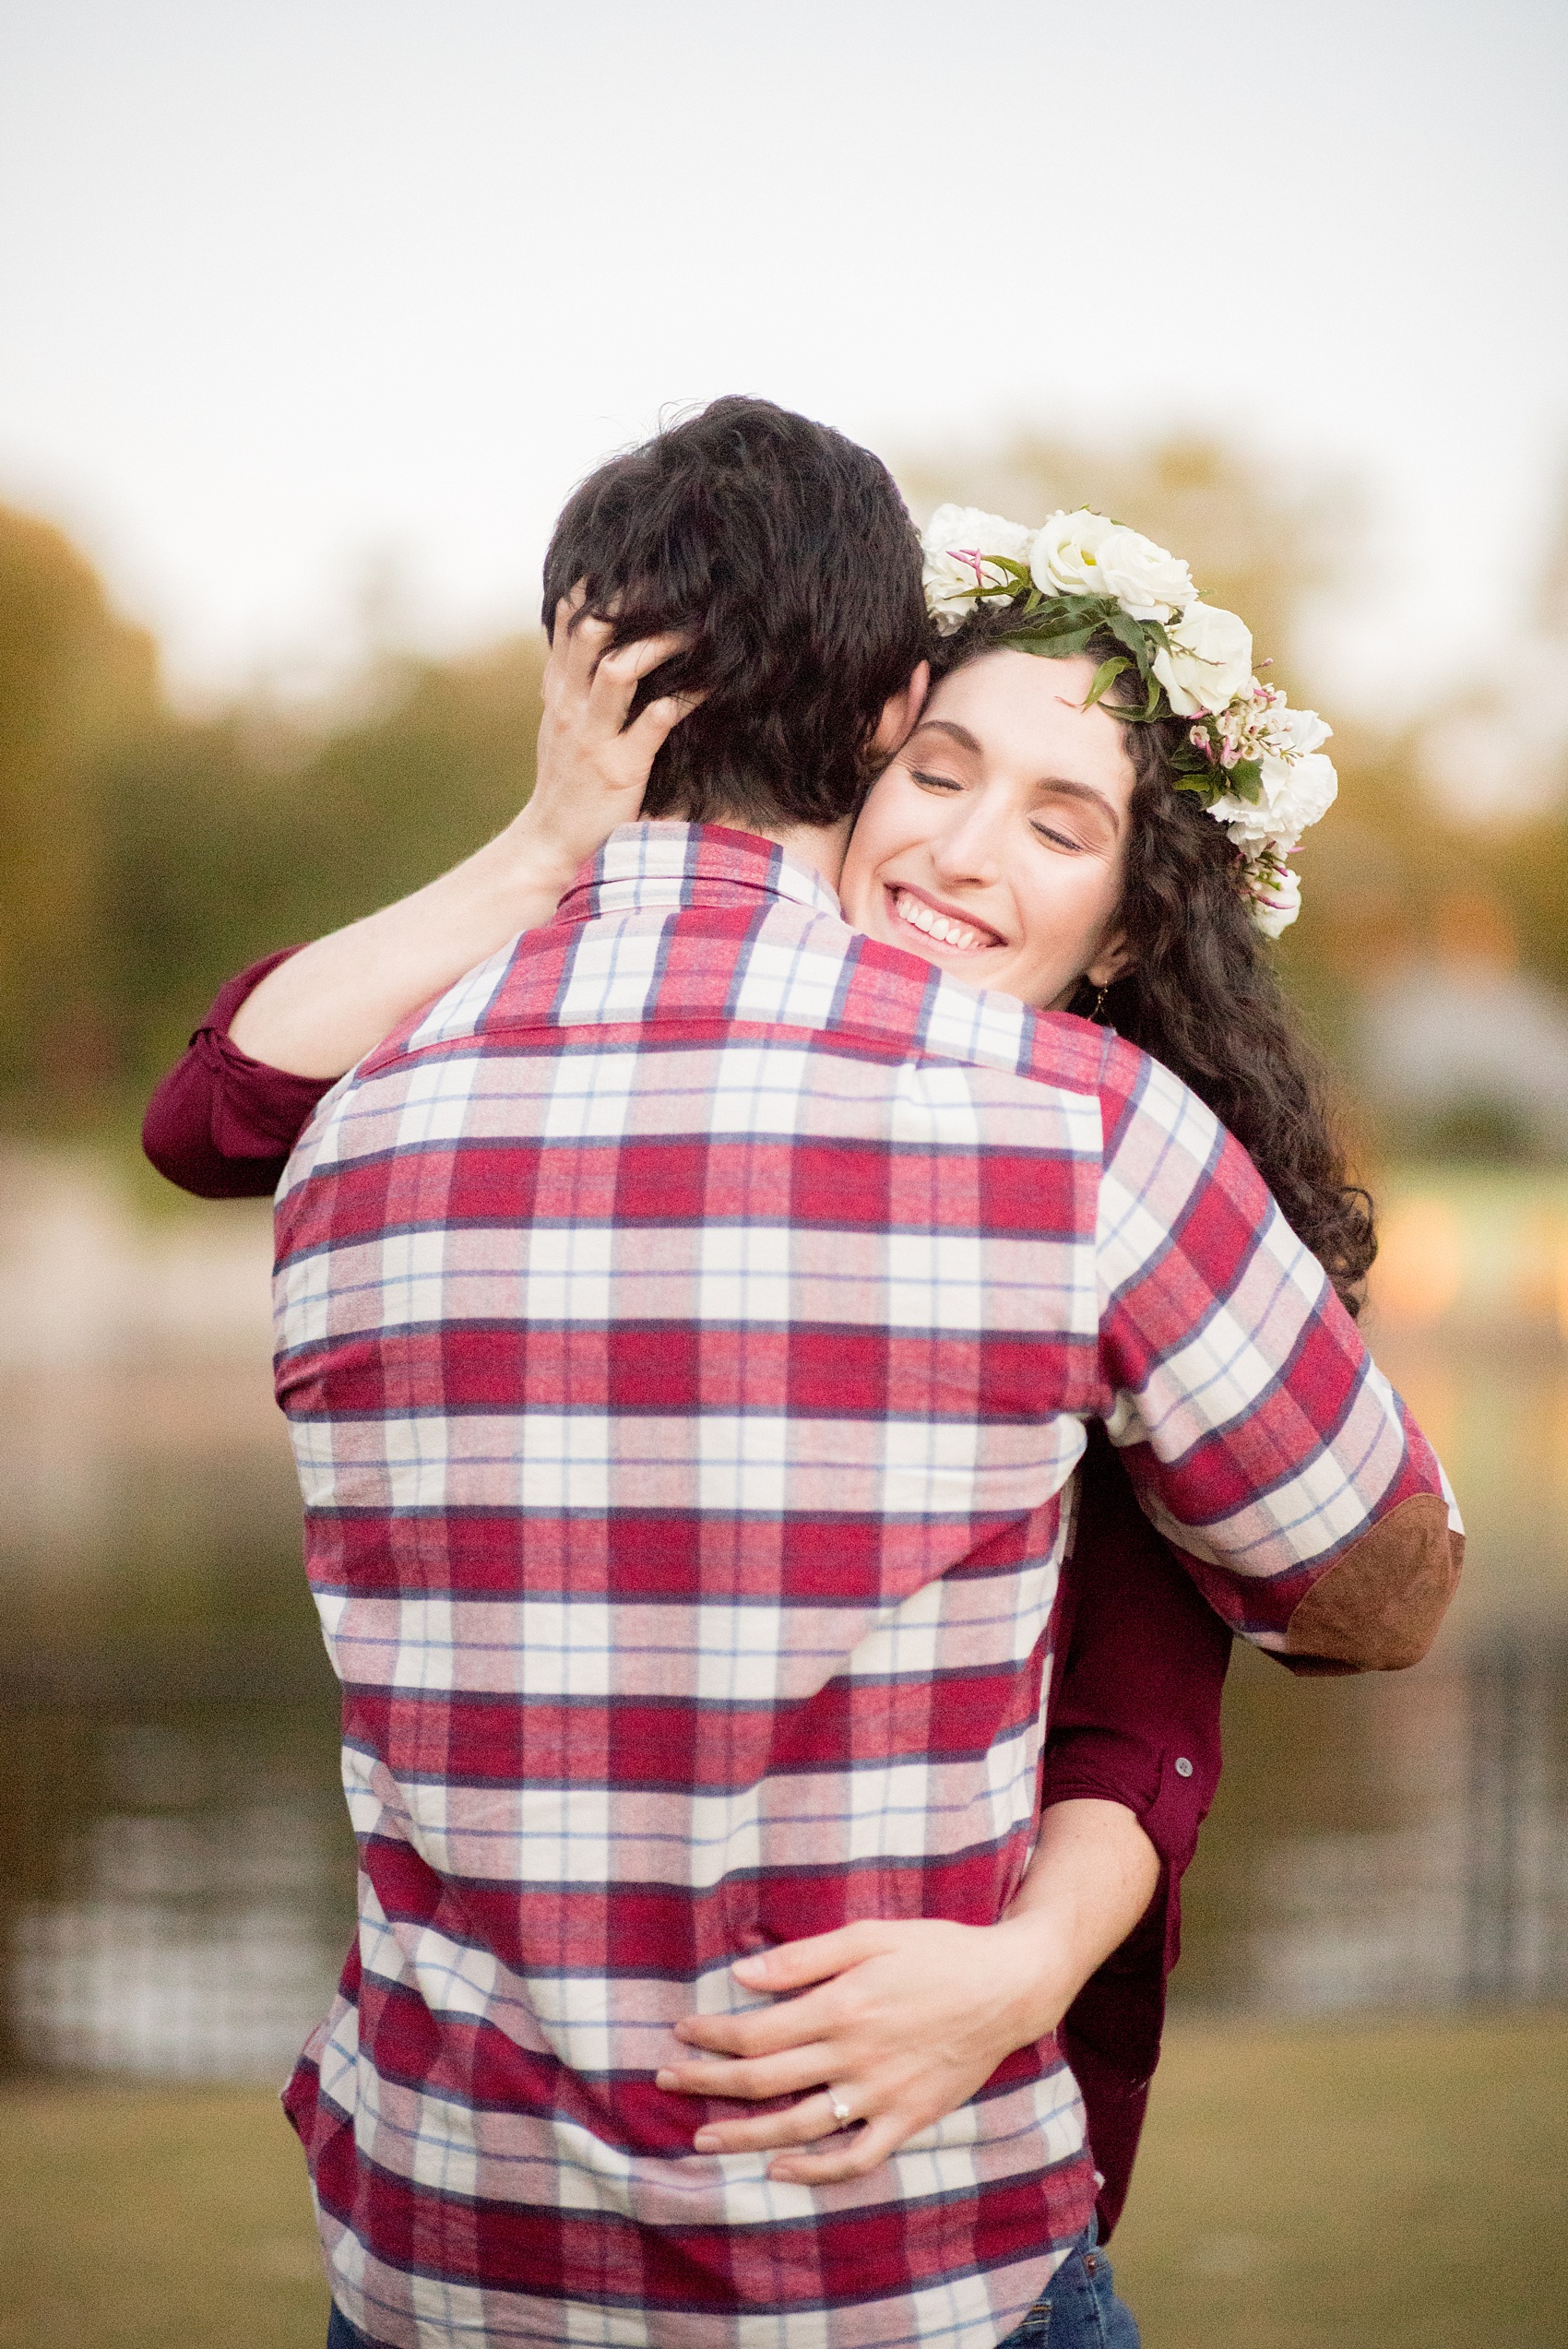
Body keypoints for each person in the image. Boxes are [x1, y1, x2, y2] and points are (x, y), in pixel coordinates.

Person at [145, 400, 1459, 2349]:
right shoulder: (1089, 1147)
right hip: (883, 2256)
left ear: (1131, 915)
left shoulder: (363, 1121)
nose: (961, 848)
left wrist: (1026, 1959)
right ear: (875, 724)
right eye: (940, 769)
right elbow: (1375, 1586)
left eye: (1059, 819)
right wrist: (547, 839)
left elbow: (215, 1110)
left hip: (440, 2243)